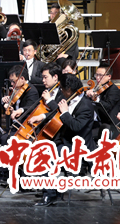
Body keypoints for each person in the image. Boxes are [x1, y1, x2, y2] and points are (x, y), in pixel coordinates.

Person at [35, 73, 95, 207]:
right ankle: (53, 190)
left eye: (62, 88)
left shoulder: (85, 106)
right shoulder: (69, 98)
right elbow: (58, 112)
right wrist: (43, 116)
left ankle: (49, 195)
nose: (61, 91)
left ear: (68, 89)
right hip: (65, 142)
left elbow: (76, 126)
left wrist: (66, 113)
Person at [85, 63, 120, 138]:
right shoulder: (100, 88)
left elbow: (108, 106)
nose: (98, 77)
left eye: (101, 75)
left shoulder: (113, 89)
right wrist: (88, 96)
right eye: (96, 75)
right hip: (97, 122)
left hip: (108, 125)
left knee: (85, 134)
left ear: (109, 76)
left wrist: (96, 99)